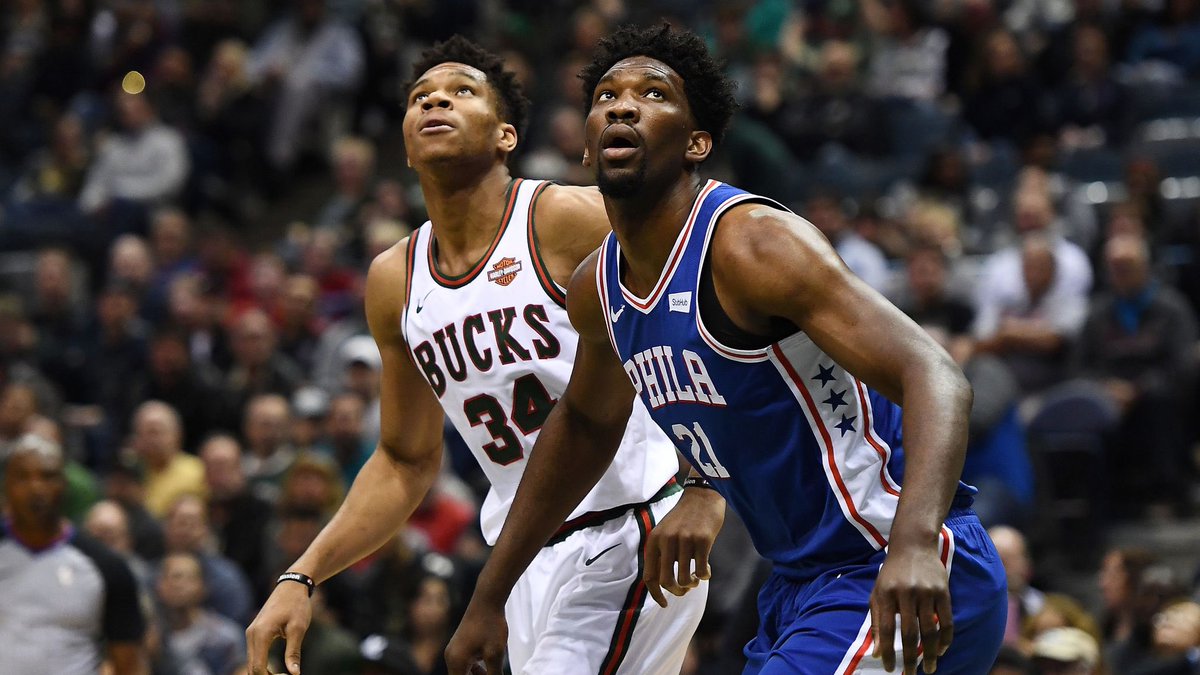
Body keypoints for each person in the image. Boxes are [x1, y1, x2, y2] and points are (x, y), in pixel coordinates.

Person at [446, 24, 1007, 675]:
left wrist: (913, 544)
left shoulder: (752, 246)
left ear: (697, 143)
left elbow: (935, 373)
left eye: (653, 94)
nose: (623, 106)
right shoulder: (598, 288)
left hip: (897, 562)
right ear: (586, 143)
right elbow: (585, 423)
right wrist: (491, 595)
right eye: (606, 95)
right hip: (801, 584)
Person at [246, 35, 721, 675]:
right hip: (517, 560)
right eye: (420, 98)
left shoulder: (563, 218)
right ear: (407, 146)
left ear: (504, 135)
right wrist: (301, 575)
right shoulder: (395, 279)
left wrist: (708, 482)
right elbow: (403, 459)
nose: (435, 99)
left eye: (460, 91)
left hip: (634, 523)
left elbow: (701, 311)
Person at [0, 433, 148, 674]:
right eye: (23, 477)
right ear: (6, 485)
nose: (36, 488)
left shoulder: (107, 567)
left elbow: (128, 665)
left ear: (65, 485)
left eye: (47, 477)